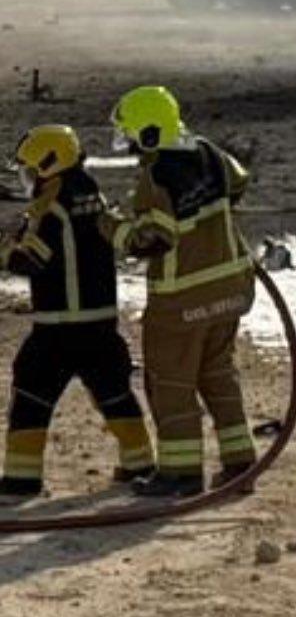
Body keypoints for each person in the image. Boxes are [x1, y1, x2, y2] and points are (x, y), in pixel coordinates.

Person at [105, 86, 256, 497]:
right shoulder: (210, 152)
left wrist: (111, 226)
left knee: (171, 384)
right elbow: (239, 184)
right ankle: (241, 464)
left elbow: (150, 241)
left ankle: (180, 472)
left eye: (133, 136)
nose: (131, 147)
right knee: (219, 376)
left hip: (182, 301)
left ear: (150, 133)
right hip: (231, 288)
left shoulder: (157, 178)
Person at [0, 125, 153, 496]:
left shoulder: (52, 209)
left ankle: (21, 481)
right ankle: (140, 464)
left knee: (31, 396)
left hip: (58, 327)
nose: (28, 180)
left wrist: (5, 251)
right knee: (114, 393)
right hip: (100, 323)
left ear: (50, 167)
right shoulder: (90, 194)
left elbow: (30, 261)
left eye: (32, 172)